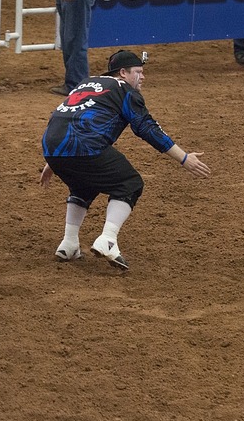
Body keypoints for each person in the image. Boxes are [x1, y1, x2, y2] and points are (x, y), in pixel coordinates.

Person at [40, 50, 211, 271]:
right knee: (130, 183)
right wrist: (184, 158)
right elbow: (147, 128)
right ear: (123, 72)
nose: (143, 77)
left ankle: (69, 243)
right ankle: (108, 239)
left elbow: (67, 115)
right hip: (84, 145)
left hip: (52, 146)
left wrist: (53, 161)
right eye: (138, 72)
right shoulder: (125, 90)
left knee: (83, 183)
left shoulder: (86, 83)